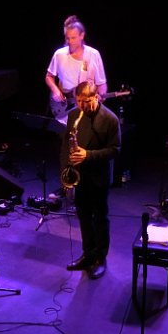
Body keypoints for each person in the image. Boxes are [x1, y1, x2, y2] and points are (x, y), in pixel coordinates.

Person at [62, 81, 121, 279]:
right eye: (79, 101)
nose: (82, 106)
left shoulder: (110, 119)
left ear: (96, 97)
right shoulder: (73, 115)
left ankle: (100, 258)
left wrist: (88, 155)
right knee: (84, 217)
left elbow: (115, 150)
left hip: (98, 177)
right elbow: (66, 144)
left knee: (100, 218)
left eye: (86, 101)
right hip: (80, 176)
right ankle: (88, 254)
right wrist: (65, 172)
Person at [45, 15, 108, 121]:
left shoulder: (93, 54)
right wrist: (55, 90)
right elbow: (49, 76)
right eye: (67, 38)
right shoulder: (59, 54)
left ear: (82, 35)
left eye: (73, 38)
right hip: (64, 108)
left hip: (86, 109)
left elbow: (101, 84)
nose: (70, 41)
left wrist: (101, 97)